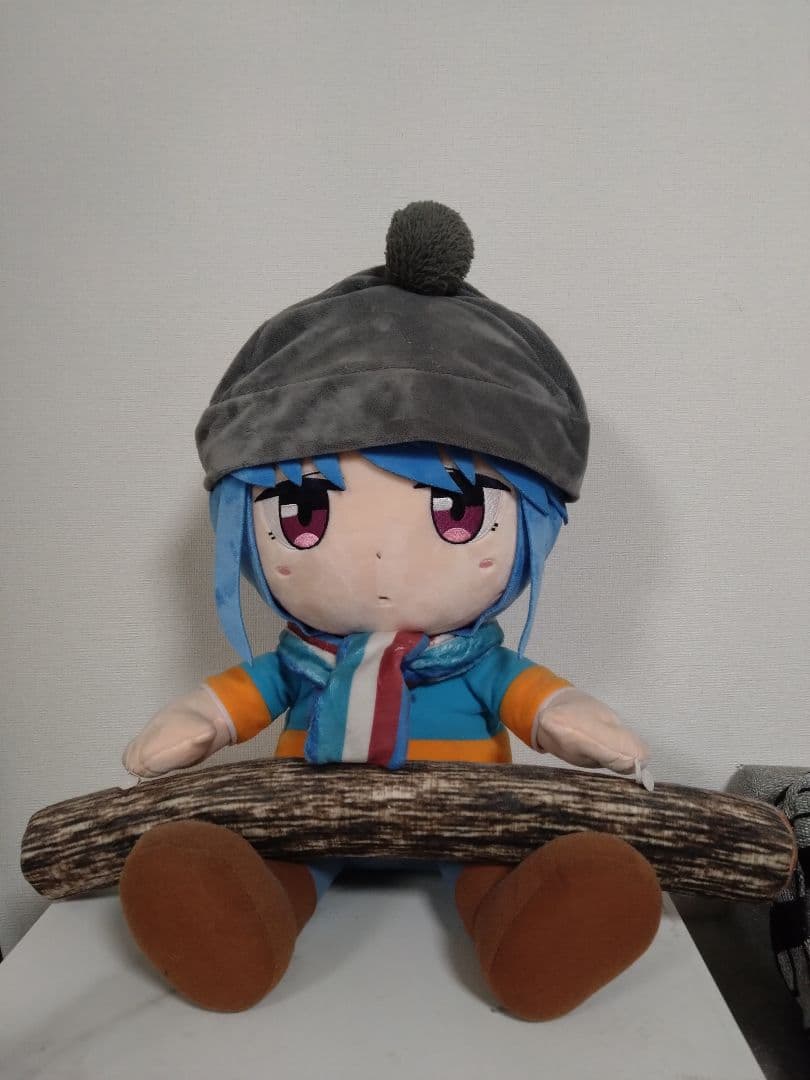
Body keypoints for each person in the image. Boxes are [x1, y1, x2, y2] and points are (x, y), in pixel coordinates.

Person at [120, 201, 661, 1019]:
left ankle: (527, 937)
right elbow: (232, 703)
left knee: (496, 872)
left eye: (457, 512)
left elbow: (539, 704)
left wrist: (580, 724)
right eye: (305, 511)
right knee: (271, 867)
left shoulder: (475, 663)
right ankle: (236, 924)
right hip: (309, 820)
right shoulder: (300, 662)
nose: (379, 560)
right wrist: (193, 722)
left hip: (468, 822)